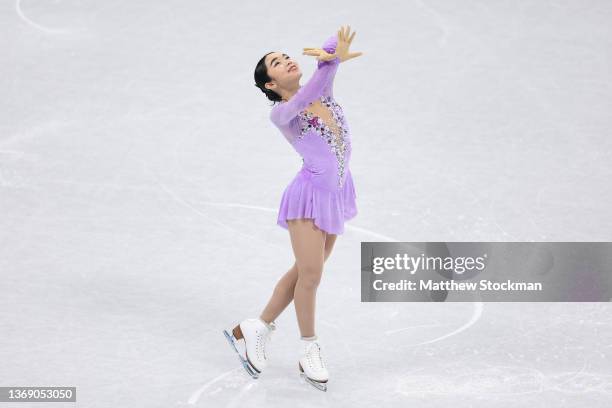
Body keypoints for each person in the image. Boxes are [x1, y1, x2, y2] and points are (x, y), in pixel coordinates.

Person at [224, 25, 362, 392]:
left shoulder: (322, 90)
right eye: (277, 63)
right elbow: (315, 85)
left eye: (286, 56)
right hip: (309, 197)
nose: (286, 61)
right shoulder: (284, 112)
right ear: (270, 85)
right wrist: (329, 63)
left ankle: (258, 326)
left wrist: (332, 51)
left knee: (305, 271)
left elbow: (329, 63)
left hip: (334, 193)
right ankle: (308, 348)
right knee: (312, 276)